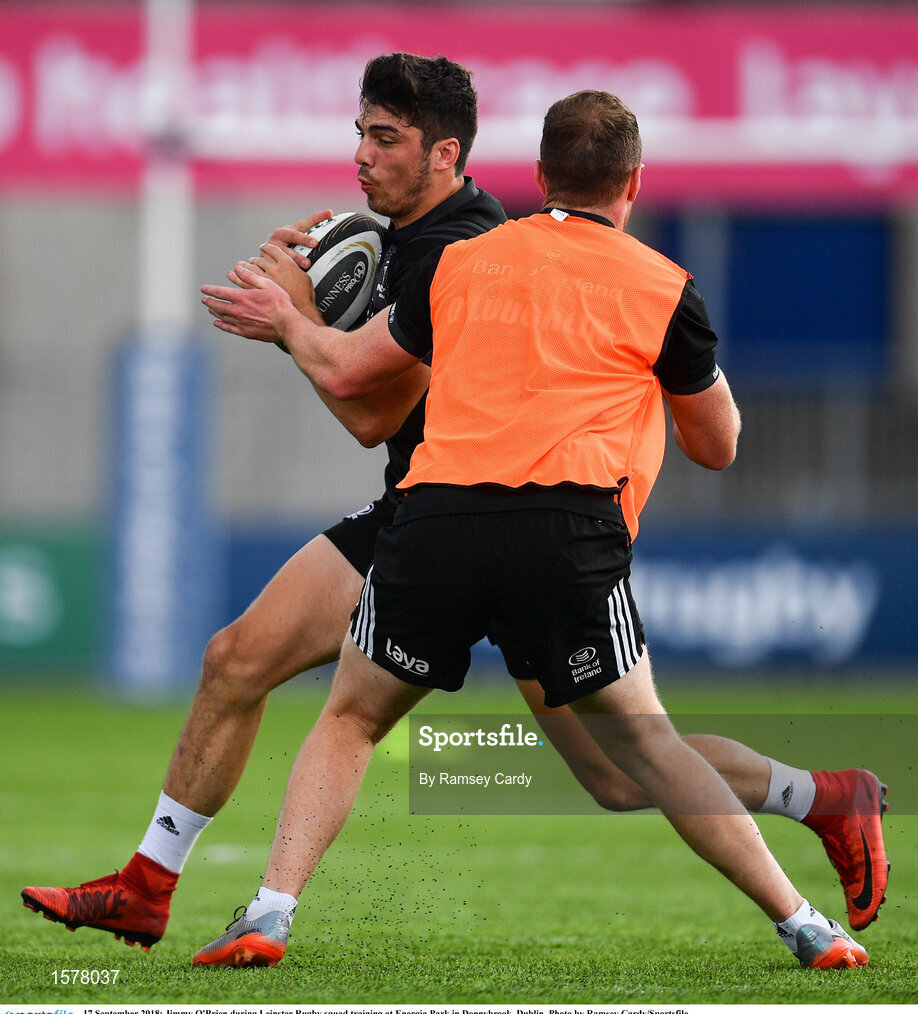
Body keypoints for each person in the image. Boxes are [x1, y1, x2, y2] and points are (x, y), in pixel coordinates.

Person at [22, 60, 885, 961]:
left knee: (606, 767)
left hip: (456, 511)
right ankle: (148, 887)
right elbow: (710, 433)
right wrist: (310, 310)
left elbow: (372, 413)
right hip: (461, 512)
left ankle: (819, 809)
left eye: (384, 138)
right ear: (630, 183)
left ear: (449, 155)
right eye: (360, 132)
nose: (361, 156)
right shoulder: (431, 240)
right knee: (239, 662)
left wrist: (296, 315)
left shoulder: (461, 251)